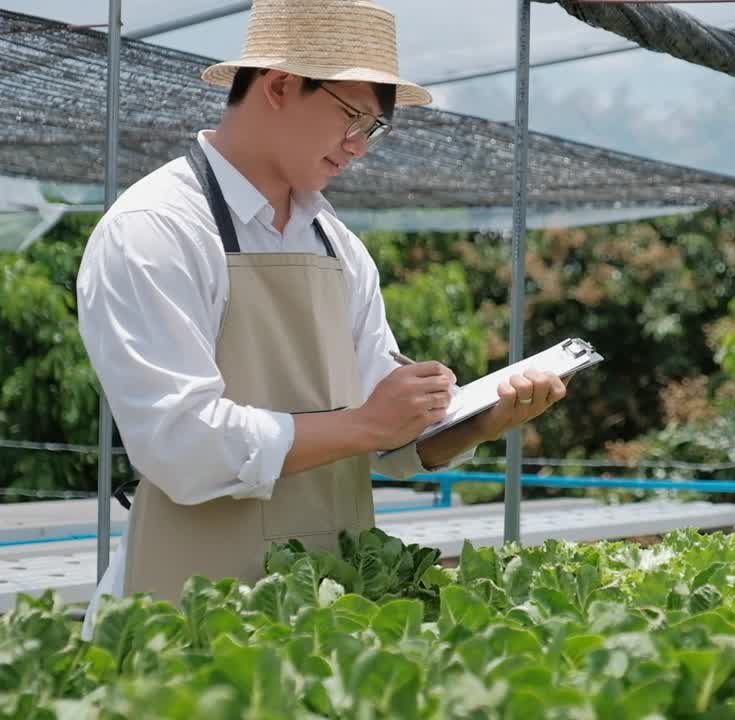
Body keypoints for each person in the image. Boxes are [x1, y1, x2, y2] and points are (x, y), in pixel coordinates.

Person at [75, 0, 567, 634]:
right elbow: (181, 446)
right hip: (189, 606)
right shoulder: (157, 229)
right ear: (280, 85)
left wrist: (477, 421)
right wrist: (365, 424)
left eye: (376, 129)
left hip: (327, 606)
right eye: (355, 117)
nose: (360, 147)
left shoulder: (337, 244)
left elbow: (386, 444)